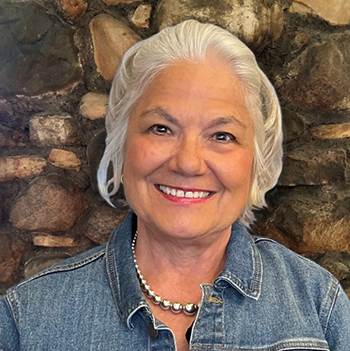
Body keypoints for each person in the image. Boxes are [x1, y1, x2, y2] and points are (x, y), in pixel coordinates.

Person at [1, 20, 349, 351]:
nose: (187, 163)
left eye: (222, 136)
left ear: (257, 161)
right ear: (122, 145)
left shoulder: (318, 305)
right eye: (161, 129)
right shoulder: (28, 320)